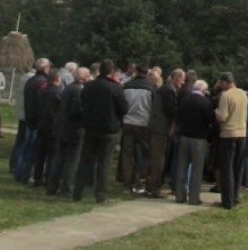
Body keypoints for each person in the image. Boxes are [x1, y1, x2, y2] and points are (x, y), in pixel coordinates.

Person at [73, 59, 128, 204]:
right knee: (104, 162)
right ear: (111, 72)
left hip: (90, 127)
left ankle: (77, 192)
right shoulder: (115, 88)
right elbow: (124, 108)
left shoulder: (89, 86)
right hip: (109, 129)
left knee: (85, 160)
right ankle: (101, 195)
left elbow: (82, 102)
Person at [47, 67, 90, 197]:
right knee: (72, 160)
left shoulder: (68, 88)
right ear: (83, 77)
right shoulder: (78, 90)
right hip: (74, 129)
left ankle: (52, 186)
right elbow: (76, 110)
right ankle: (67, 187)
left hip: (62, 126)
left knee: (59, 158)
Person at [146, 68, 184, 198]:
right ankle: (154, 188)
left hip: (158, 128)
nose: (183, 82)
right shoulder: (168, 90)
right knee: (158, 159)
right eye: (181, 79)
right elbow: (171, 110)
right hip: (159, 129)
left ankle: (152, 186)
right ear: (175, 78)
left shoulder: (166, 89)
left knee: (157, 158)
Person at [175, 79, 214, 206]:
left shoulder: (185, 100)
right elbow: (210, 120)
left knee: (181, 167)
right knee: (197, 170)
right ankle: (193, 198)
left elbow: (178, 116)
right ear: (203, 90)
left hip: (184, 136)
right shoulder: (205, 103)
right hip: (199, 138)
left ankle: (180, 195)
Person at [14, 57, 51, 184]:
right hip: (37, 120)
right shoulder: (43, 82)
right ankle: (25, 174)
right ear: (45, 68)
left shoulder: (30, 80)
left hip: (28, 117)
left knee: (25, 147)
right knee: (32, 149)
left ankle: (18, 172)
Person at [215, 72, 248, 210]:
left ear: (225, 82)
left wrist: (215, 111)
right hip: (242, 132)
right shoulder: (243, 94)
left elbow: (223, 116)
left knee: (227, 168)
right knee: (238, 167)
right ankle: (235, 196)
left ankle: (227, 201)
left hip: (228, 133)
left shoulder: (225, 95)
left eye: (220, 82)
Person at [121, 63, 154, 194]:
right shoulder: (151, 86)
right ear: (147, 73)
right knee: (145, 155)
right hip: (144, 124)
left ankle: (127, 185)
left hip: (128, 122)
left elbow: (122, 104)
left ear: (136, 71)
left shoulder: (127, 85)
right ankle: (141, 183)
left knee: (128, 155)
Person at [33, 70, 62, 187]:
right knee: (52, 155)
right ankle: (48, 178)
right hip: (53, 127)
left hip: (41, 125)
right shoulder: (59, 93)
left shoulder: (41, 91)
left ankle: (37, 178)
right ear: (57, 79)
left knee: (40, 154)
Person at [9, 64, 35, 173]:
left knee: (20, 140)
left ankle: (14, 164)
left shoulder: (23, 77)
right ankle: (17, 165)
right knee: (24, 142)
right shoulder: (30, 78)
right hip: (27, 114)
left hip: (22, 113)